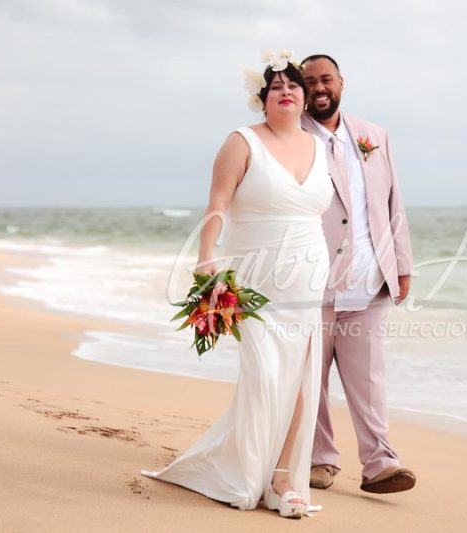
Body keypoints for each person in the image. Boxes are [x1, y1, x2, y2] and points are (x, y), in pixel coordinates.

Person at [140, 50, 334, 519]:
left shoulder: (320, 146)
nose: (285, 91)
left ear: (305, 98)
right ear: (262, 98)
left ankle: (284, 478)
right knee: (266, 375)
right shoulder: (241, 142)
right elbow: (218, 202)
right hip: (257, 276)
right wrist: (207, 259)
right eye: (276, 87)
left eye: (293, 85)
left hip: (308, 273)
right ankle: (247, 469)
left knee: (304, 380)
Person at [299, 54, 416, 494]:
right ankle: (319, 460)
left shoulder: (374, 135)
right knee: (312, 378)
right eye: (309, 82)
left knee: (369, 380)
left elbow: (394, 204)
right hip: (313, 281)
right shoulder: (293, 139)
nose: (318, 88)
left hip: (370, 280)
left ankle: (380, 463)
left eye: (325, 79)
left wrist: (402, 264)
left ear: (342, 83)